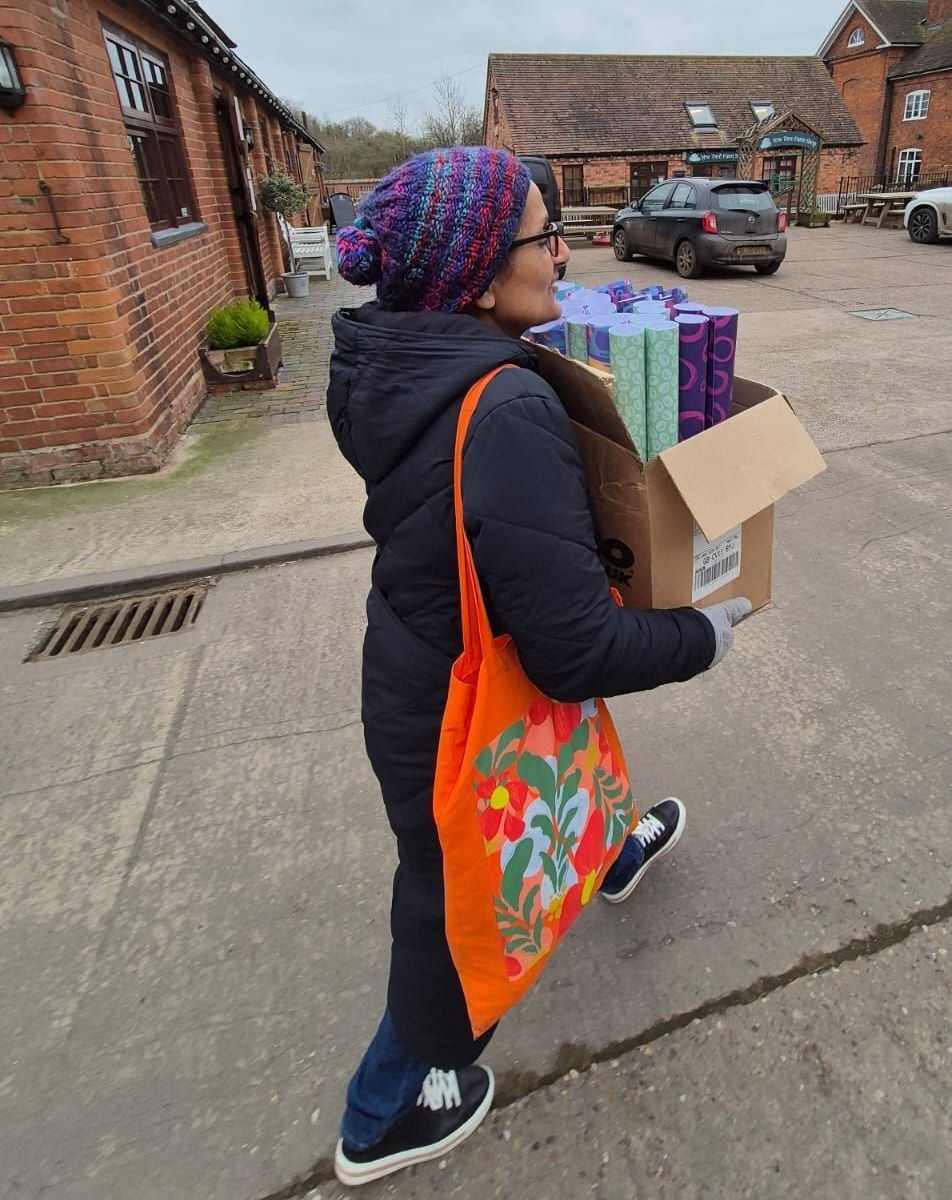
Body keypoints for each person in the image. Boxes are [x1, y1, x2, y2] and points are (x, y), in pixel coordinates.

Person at [326, 146, 751, 1188]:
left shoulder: (394, 356)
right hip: (456, 701)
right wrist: (706, 635)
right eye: (542, 237)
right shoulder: (506, 405)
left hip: (433, 652)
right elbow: (577, 653)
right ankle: (383, 1112)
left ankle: (606, 848)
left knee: (572, 755)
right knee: (446, 899)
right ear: (477, 270)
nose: (564, 252)